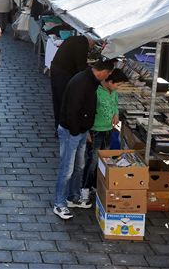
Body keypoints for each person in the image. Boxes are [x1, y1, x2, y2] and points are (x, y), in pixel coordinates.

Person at [53, 60, 115, 220]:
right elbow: (73, 109)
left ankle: (73, 197)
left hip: (79, 131)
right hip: (71, 132)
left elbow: (85, 109)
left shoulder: (90, 80)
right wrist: (76, 131)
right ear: (102, 72)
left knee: (79, 166)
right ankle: (59, 204)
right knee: (67, 168)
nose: (107, 77)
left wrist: (85, 129)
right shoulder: (82, 82)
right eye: (108, 74)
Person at [81, 68, 128, 198]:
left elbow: (115, 104)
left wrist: (116, 114)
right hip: (96, 130)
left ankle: (97, 185)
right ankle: (84, 189)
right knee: (92, 161)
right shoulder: (96, 91)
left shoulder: (113, 92)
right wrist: (86, 131)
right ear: (110, 81)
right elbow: (87, 110)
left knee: (104, 159)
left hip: (108, 129)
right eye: (117, 85)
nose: (118, 88)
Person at [50, 35, 95, 131]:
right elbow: (81, 67)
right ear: (90, 40)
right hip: (62, 73)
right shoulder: (82, 44)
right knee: (63, 99)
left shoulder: (77, 39)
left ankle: (58, 125)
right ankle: (63, 127)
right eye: (93, 44)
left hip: (57, 69)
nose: (92, 47)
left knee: (58, 99)